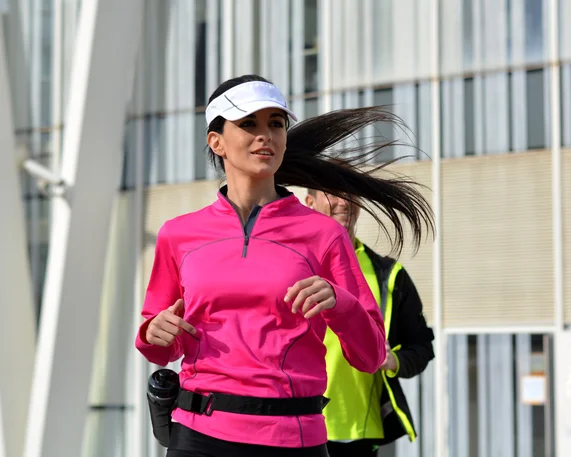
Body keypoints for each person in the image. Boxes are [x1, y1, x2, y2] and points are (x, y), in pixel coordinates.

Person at [135, 74, 434, 457]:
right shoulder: (178, 235)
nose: (266, 135)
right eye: (249, 124)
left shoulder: (324, 234)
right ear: (216, 142)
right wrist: (153, 332)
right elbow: (160, 348)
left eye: (276, 124)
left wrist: (340, 304)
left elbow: (371, 354)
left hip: (293, 440)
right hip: (198, 437)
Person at [305, 189, 435, 457]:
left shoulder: (389, 274)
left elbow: (421, 347)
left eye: (350, 193)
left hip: (360, 435)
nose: (344, 201)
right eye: (332, 193)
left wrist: (393, 361)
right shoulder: (291, 265)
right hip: (297, 427)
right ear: (310, 202)